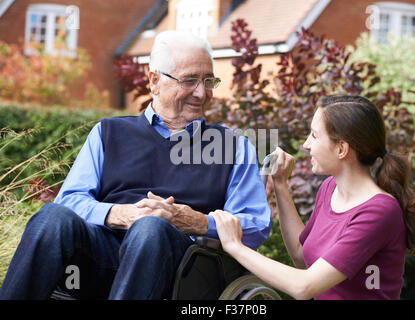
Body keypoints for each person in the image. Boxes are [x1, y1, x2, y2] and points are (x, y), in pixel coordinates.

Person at [0, 31, 271, 300]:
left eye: (208, 80)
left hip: (181, 270)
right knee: (52, 217)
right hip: (98, 259)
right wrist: (121, 214)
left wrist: (197, 221)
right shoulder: (108, 132)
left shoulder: (232, 147)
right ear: (154, 80)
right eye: (189, 80)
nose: (201, 93)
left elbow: (256, 225)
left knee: (150, 228)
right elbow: (70, 200)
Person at [211, 95, 415, 300]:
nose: (306, 144)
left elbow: (304, 286)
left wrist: (235, 246)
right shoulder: (329, 189)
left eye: (314, 135)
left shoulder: (379, 212)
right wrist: (280, 185)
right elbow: (301, 257)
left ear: (341, 149)